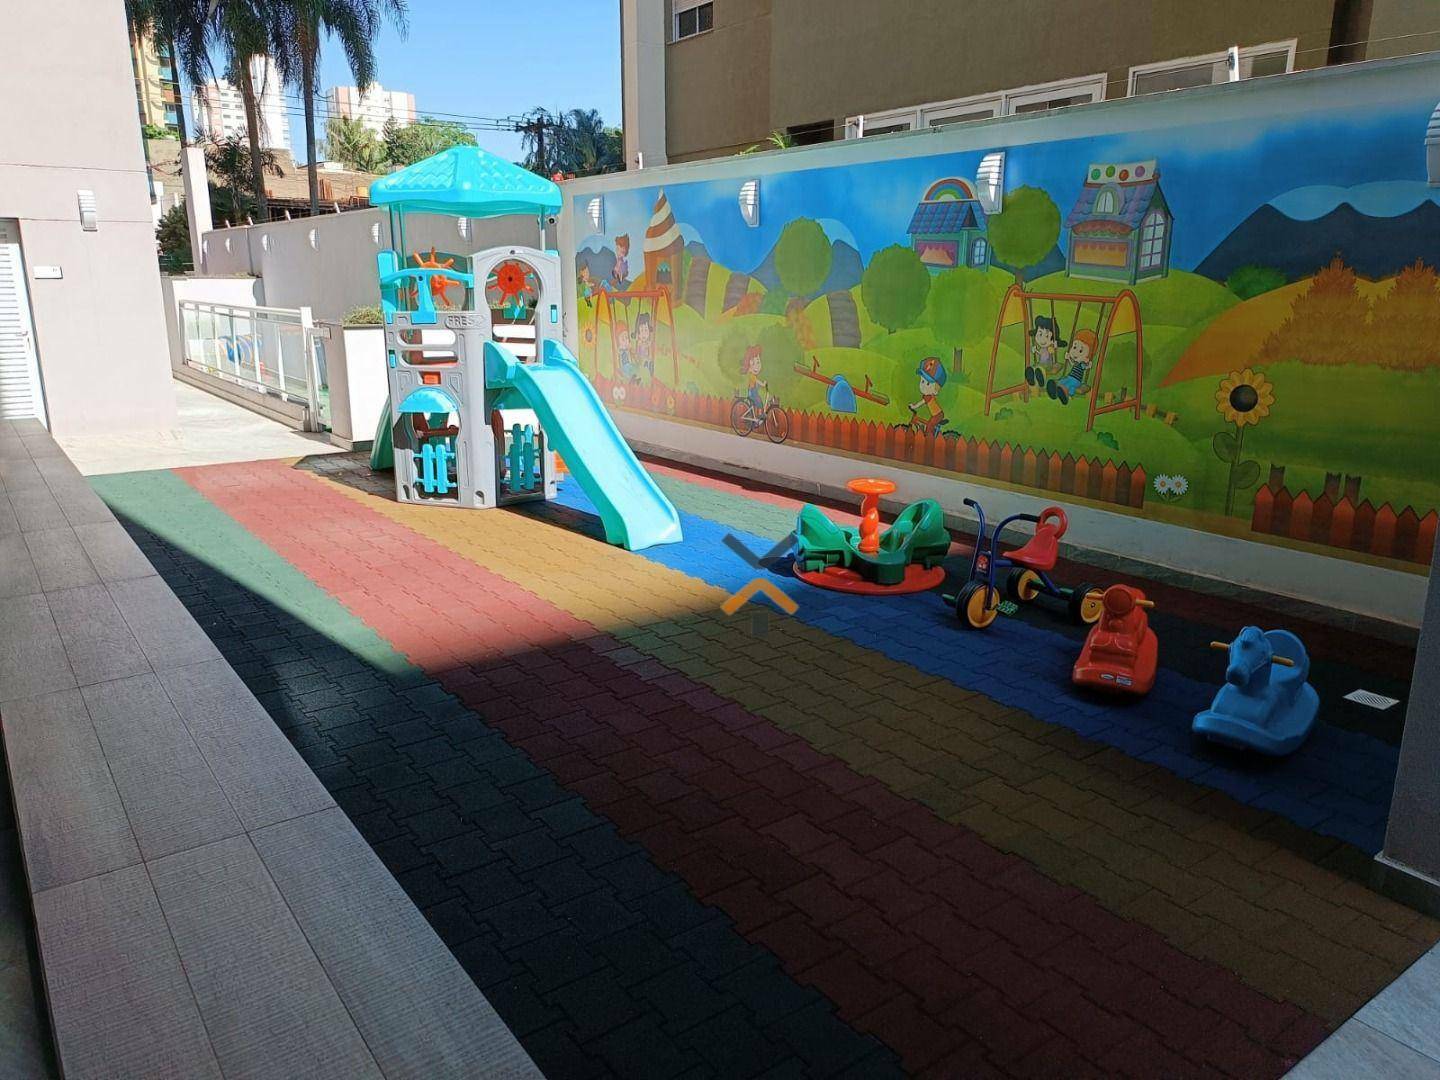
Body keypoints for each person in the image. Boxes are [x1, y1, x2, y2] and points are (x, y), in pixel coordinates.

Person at [1047, 329, 1097, 405]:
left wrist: (1089, 365)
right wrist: (1069, 358)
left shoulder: (1082, 364)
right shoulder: (1075, 363)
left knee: (1070, 386)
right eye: (1074, 347)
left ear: (1088, 356)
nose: (1075, 352)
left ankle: (1065, 394)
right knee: (1062, 381)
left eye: (1080, 351)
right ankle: (1055, 390)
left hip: (1076, 380)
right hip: (1069, 376)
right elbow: (1072, 363)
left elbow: (1086, 367)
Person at [908, 355, 948, 436]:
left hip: (937, 415)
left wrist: (914, 406)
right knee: (928, 424)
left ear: (936, 390)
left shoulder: (928, 397)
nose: (923, 386)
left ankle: (929, 438)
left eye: (928, 384)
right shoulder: (927, 395)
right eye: (922, 381)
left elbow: (921, 403)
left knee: (929, 426)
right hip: (936, 414)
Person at [1025, 315, 1065, 388]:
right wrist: (1035, 350)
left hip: (1048, 365)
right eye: (1040, 334)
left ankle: (1040, 379)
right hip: (1040, 363)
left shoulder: (1049, 348)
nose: (1043, 339)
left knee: (1040, 369)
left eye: (1047, 336)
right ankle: (1032, 377)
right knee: (1036, 368)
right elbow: (1040, 353)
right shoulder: (1042, 349)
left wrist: (1053, 346)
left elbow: (1051, 351)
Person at [742, 344, 766, 411]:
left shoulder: (754, 375)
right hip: (752, 393)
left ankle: (756, 414)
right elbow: (757, 381)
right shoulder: (752, 376)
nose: (756, 366)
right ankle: (760, 414)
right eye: (753, 363)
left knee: (758, 402)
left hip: (754, 392)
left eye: (758, 362)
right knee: (759, 402)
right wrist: (763, 384)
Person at [634, 312, 654, 378]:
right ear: (638, 333)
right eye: (641, 330)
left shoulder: (647, 342)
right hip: (640, 359)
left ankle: (649, 370)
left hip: (646, 359)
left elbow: (649, 347)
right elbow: (641, 347)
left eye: (646, 330)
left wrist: (649, 344)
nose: (644, 334)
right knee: (644, 363)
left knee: (649, 362)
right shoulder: (639, 342)